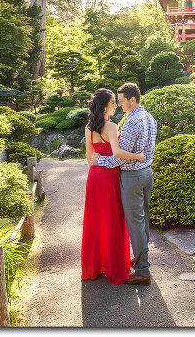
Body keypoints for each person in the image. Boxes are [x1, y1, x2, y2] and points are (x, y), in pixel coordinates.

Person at [91, 83, 157, 286]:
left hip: (132, 177)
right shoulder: (149, 118)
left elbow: (119, 158)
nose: (119, 105)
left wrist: (98, 161)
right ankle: (142, 262)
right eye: (116, 101)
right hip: (147, 173)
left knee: (135, 224)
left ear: (133, 100)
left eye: (121, 101)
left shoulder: (131, 123)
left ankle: (142, 271)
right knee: (143, 220)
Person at [81, 88, 145, 284]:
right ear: (105, 106)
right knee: (113, 219)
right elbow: (117, 153)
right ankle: (116, 265)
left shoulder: (88, 128)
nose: (116, 106)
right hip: (109, 178)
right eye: (112, 103)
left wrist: (100, 159)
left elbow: (89, 159)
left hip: (94, 178)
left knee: (96, 220)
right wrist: (137, 156)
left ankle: (95, 266)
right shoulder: (111, 127)